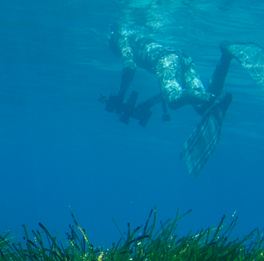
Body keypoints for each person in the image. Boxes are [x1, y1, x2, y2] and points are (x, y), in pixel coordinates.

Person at [102, 25, 264, 176]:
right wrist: (150, 103)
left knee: (174, 100)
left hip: (166, 60)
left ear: (113, 37)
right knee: (201, 107)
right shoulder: (137, 38)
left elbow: (130, 67)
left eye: (110, 44)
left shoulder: (122, 38)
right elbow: (169, 83)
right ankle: (225, 55)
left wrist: (121, 95)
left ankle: (212, 97)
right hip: (182, 58)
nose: (111, 49)